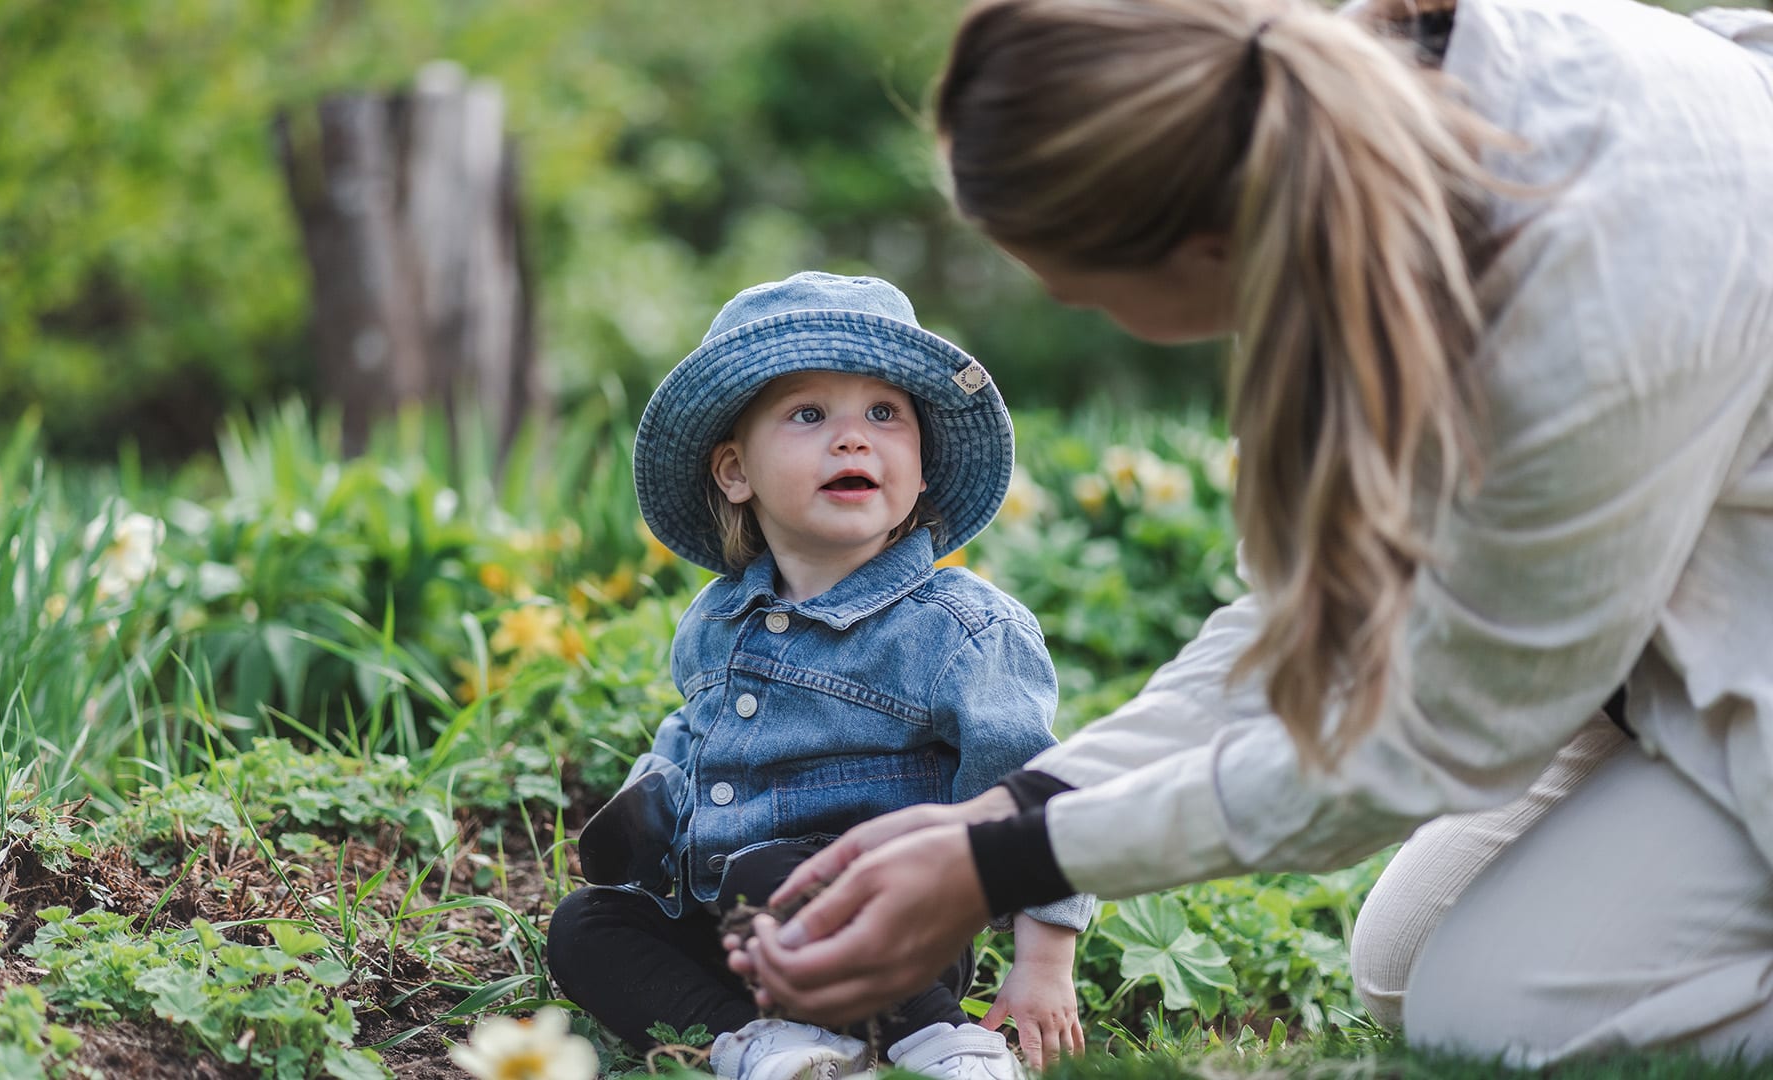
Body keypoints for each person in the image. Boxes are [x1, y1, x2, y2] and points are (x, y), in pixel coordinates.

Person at [726, 0, 1773, 1066]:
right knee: (1406, 964)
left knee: (1498, 1021)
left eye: (1070, 278)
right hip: (1650, 618)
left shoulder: (1587, 291)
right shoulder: (1336, 153)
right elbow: (1295, 622)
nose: (1053, 295)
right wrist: (1008, 813)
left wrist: (1008, 866)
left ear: (1202, 246)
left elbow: (1439, 735)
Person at [546, 271, 1095, 1080]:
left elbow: (1034, 793)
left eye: (884, 414)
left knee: (777, 872)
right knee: (585, 928)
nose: (853, 438)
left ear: (921, 464)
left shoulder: (961, 630)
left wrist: (1044, 961)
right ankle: (758, 1043)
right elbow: (696, 741)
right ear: (735, 470)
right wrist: (651, 802)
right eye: (809, 415)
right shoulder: (715, 618)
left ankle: (938, 1038)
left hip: (889, 937)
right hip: (732, 925)